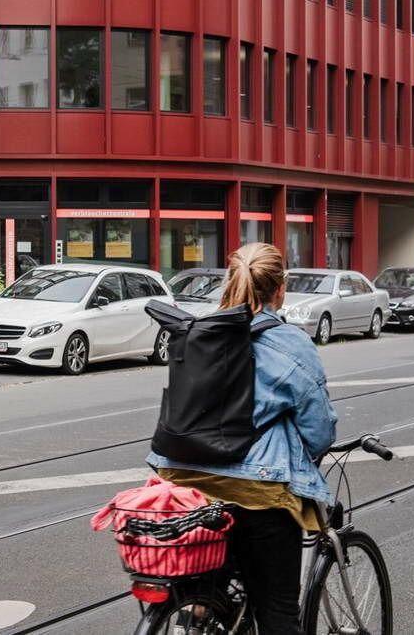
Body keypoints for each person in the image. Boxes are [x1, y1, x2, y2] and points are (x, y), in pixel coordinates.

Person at [148, 244, 338, 635]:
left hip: (185, 488)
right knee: (278, 612)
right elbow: (318, 429)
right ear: (280, 289)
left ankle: (198, 614)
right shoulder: (290, 342)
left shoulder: (200, 332)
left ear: (229, 281)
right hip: (259, 494)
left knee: (203, 593)